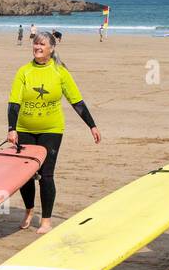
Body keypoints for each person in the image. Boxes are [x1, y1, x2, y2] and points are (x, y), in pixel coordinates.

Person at [6, 29, 101, 234]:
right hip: (25, 129)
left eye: (42, 45)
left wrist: (91, 125)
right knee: (25, 176)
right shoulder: (24, 71)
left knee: (46, 175)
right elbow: (14, 102)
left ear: (51, 48)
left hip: (52, 130)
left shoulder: (60, 72)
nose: (38, 47)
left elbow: (77, 102)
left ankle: (46, 221)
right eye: (36, 44)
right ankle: (29, 210)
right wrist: (12, 129)